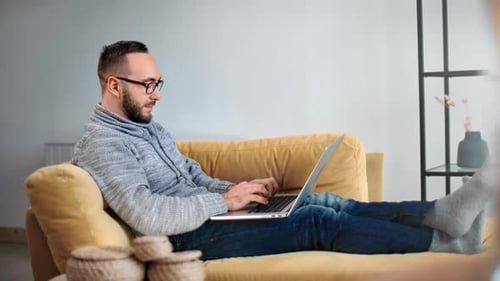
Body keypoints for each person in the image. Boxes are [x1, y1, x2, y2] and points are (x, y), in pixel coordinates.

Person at [73, 40, 497, 260]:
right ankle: (445, 243)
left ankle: (442, 213)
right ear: (113, 85)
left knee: (323, 200)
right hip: (186, 238)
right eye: (148, 86)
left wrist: (243, 190)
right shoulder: (104, 143)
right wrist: (224, 200)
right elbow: (148, 215)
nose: (157, 95)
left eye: (158, 84)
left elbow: (191, 174)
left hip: (211, 215)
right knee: (315, 221)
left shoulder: (149, 127)